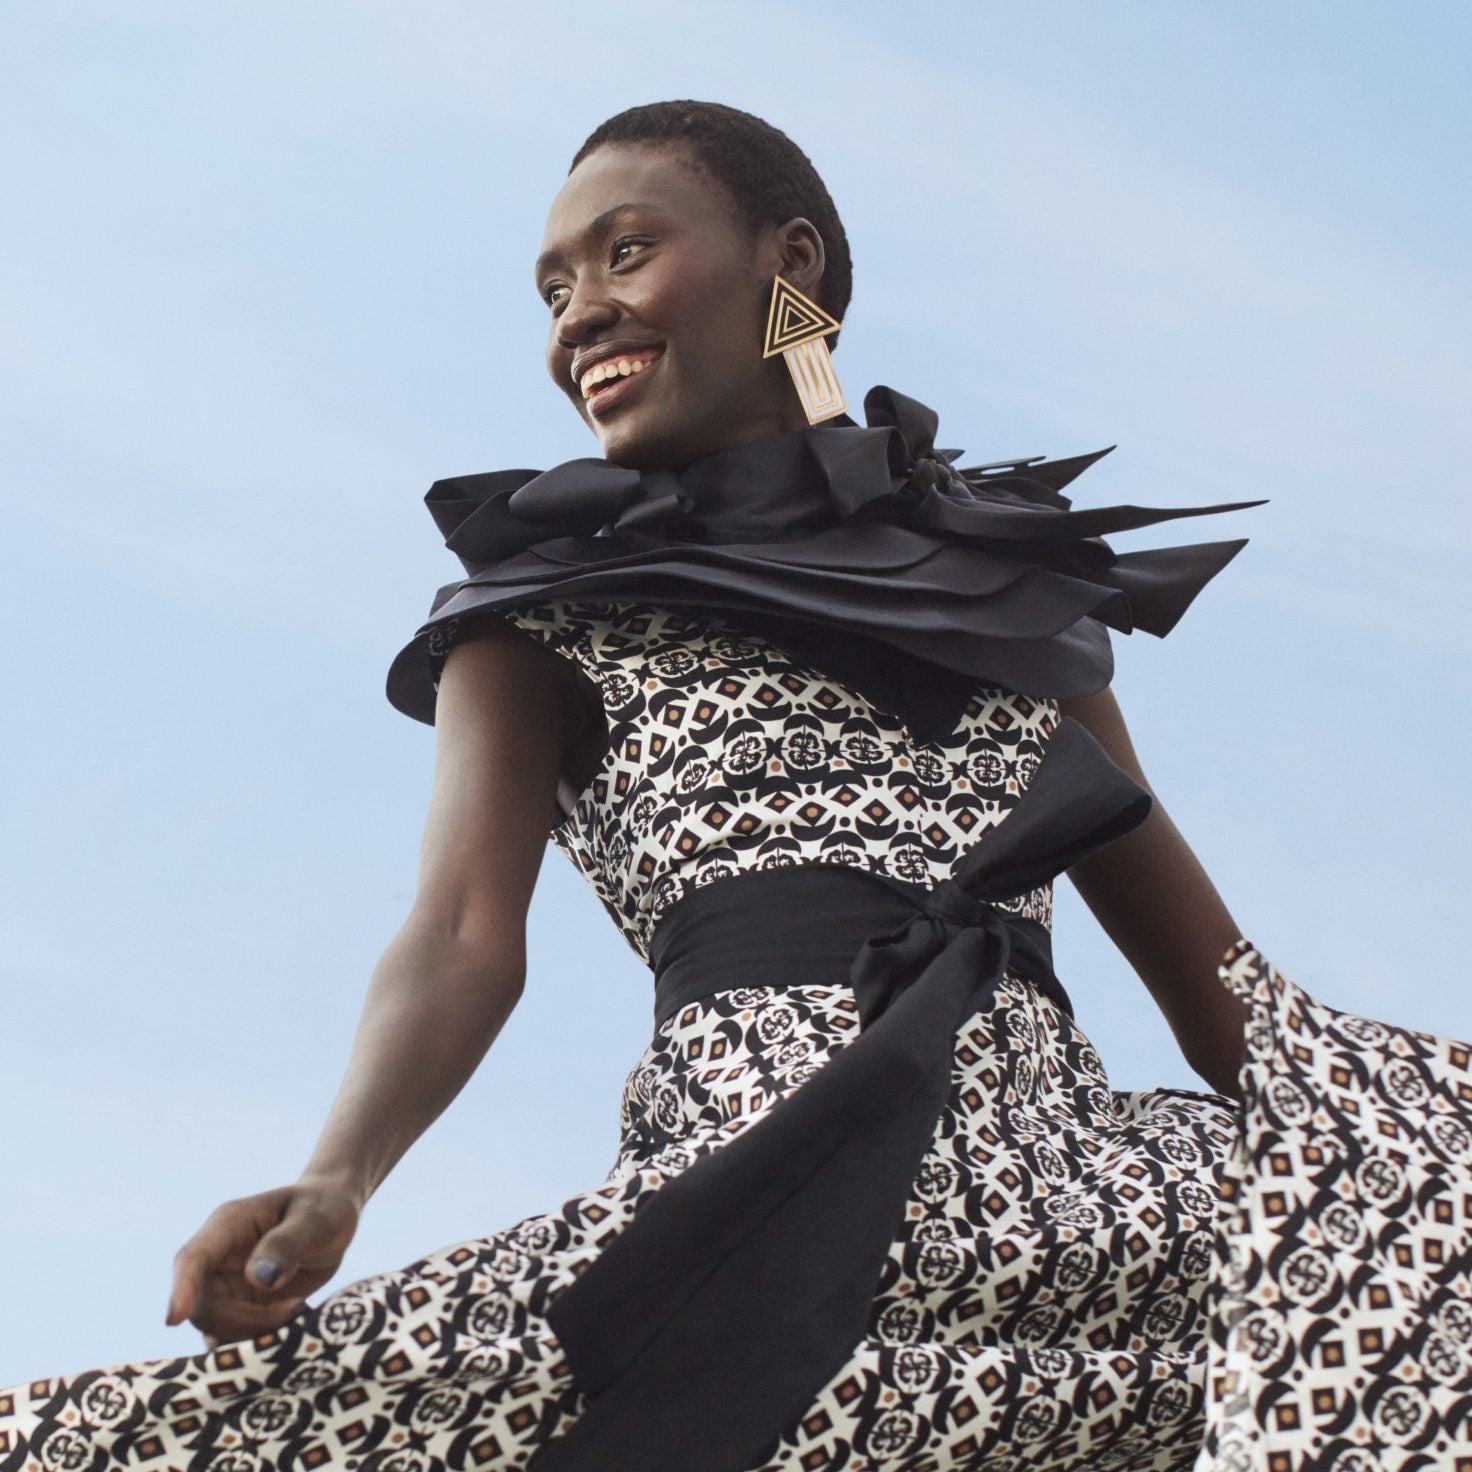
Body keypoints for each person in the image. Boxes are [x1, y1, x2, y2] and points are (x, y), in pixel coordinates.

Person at [4, 100, 1471, 1472]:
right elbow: (458, 937)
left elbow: (1228, 1005)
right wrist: (338, 1180)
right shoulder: (538, 623)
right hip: (761, 1194)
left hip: (1078, 1219)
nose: (579, 310)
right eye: (551, 288)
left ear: (792, 265)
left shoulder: (1011, 598)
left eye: (625, 251)